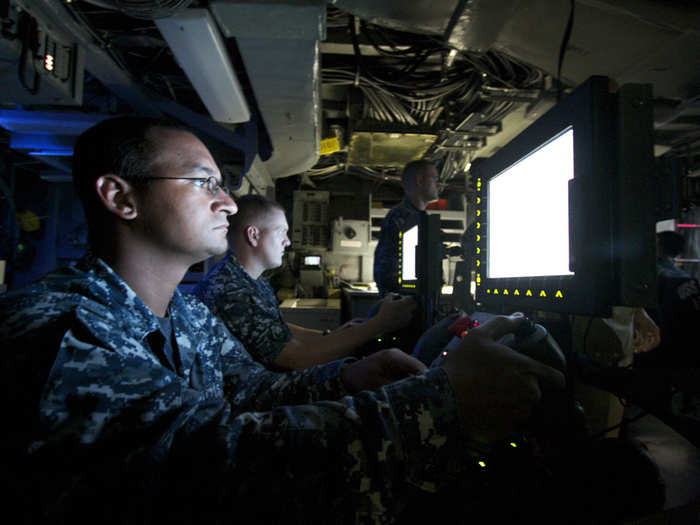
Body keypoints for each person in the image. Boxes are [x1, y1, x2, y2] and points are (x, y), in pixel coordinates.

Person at [0, 116, 565, 524]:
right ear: (121, 198)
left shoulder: (186, 314)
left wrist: (347, 378)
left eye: (223, 185)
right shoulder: (59, 329)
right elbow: (213, 467)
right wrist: (444, 401)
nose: (226, 202)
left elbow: (250, 389)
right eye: (204, 182)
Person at [194, 194, 417, 370]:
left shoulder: (250, 280)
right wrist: (378, 325)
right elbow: (294, 359)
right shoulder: (229, 289)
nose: (288, 241)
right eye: (281, 231)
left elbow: (277, 330)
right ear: (253, 235)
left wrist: (331, 335)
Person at [373, 159, 440, 297]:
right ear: (420, 181)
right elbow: (385, 272)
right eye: (434, 179)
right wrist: (400, 303)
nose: (438, 185)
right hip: (405, 309)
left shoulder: (419, 218)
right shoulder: (400, 218)